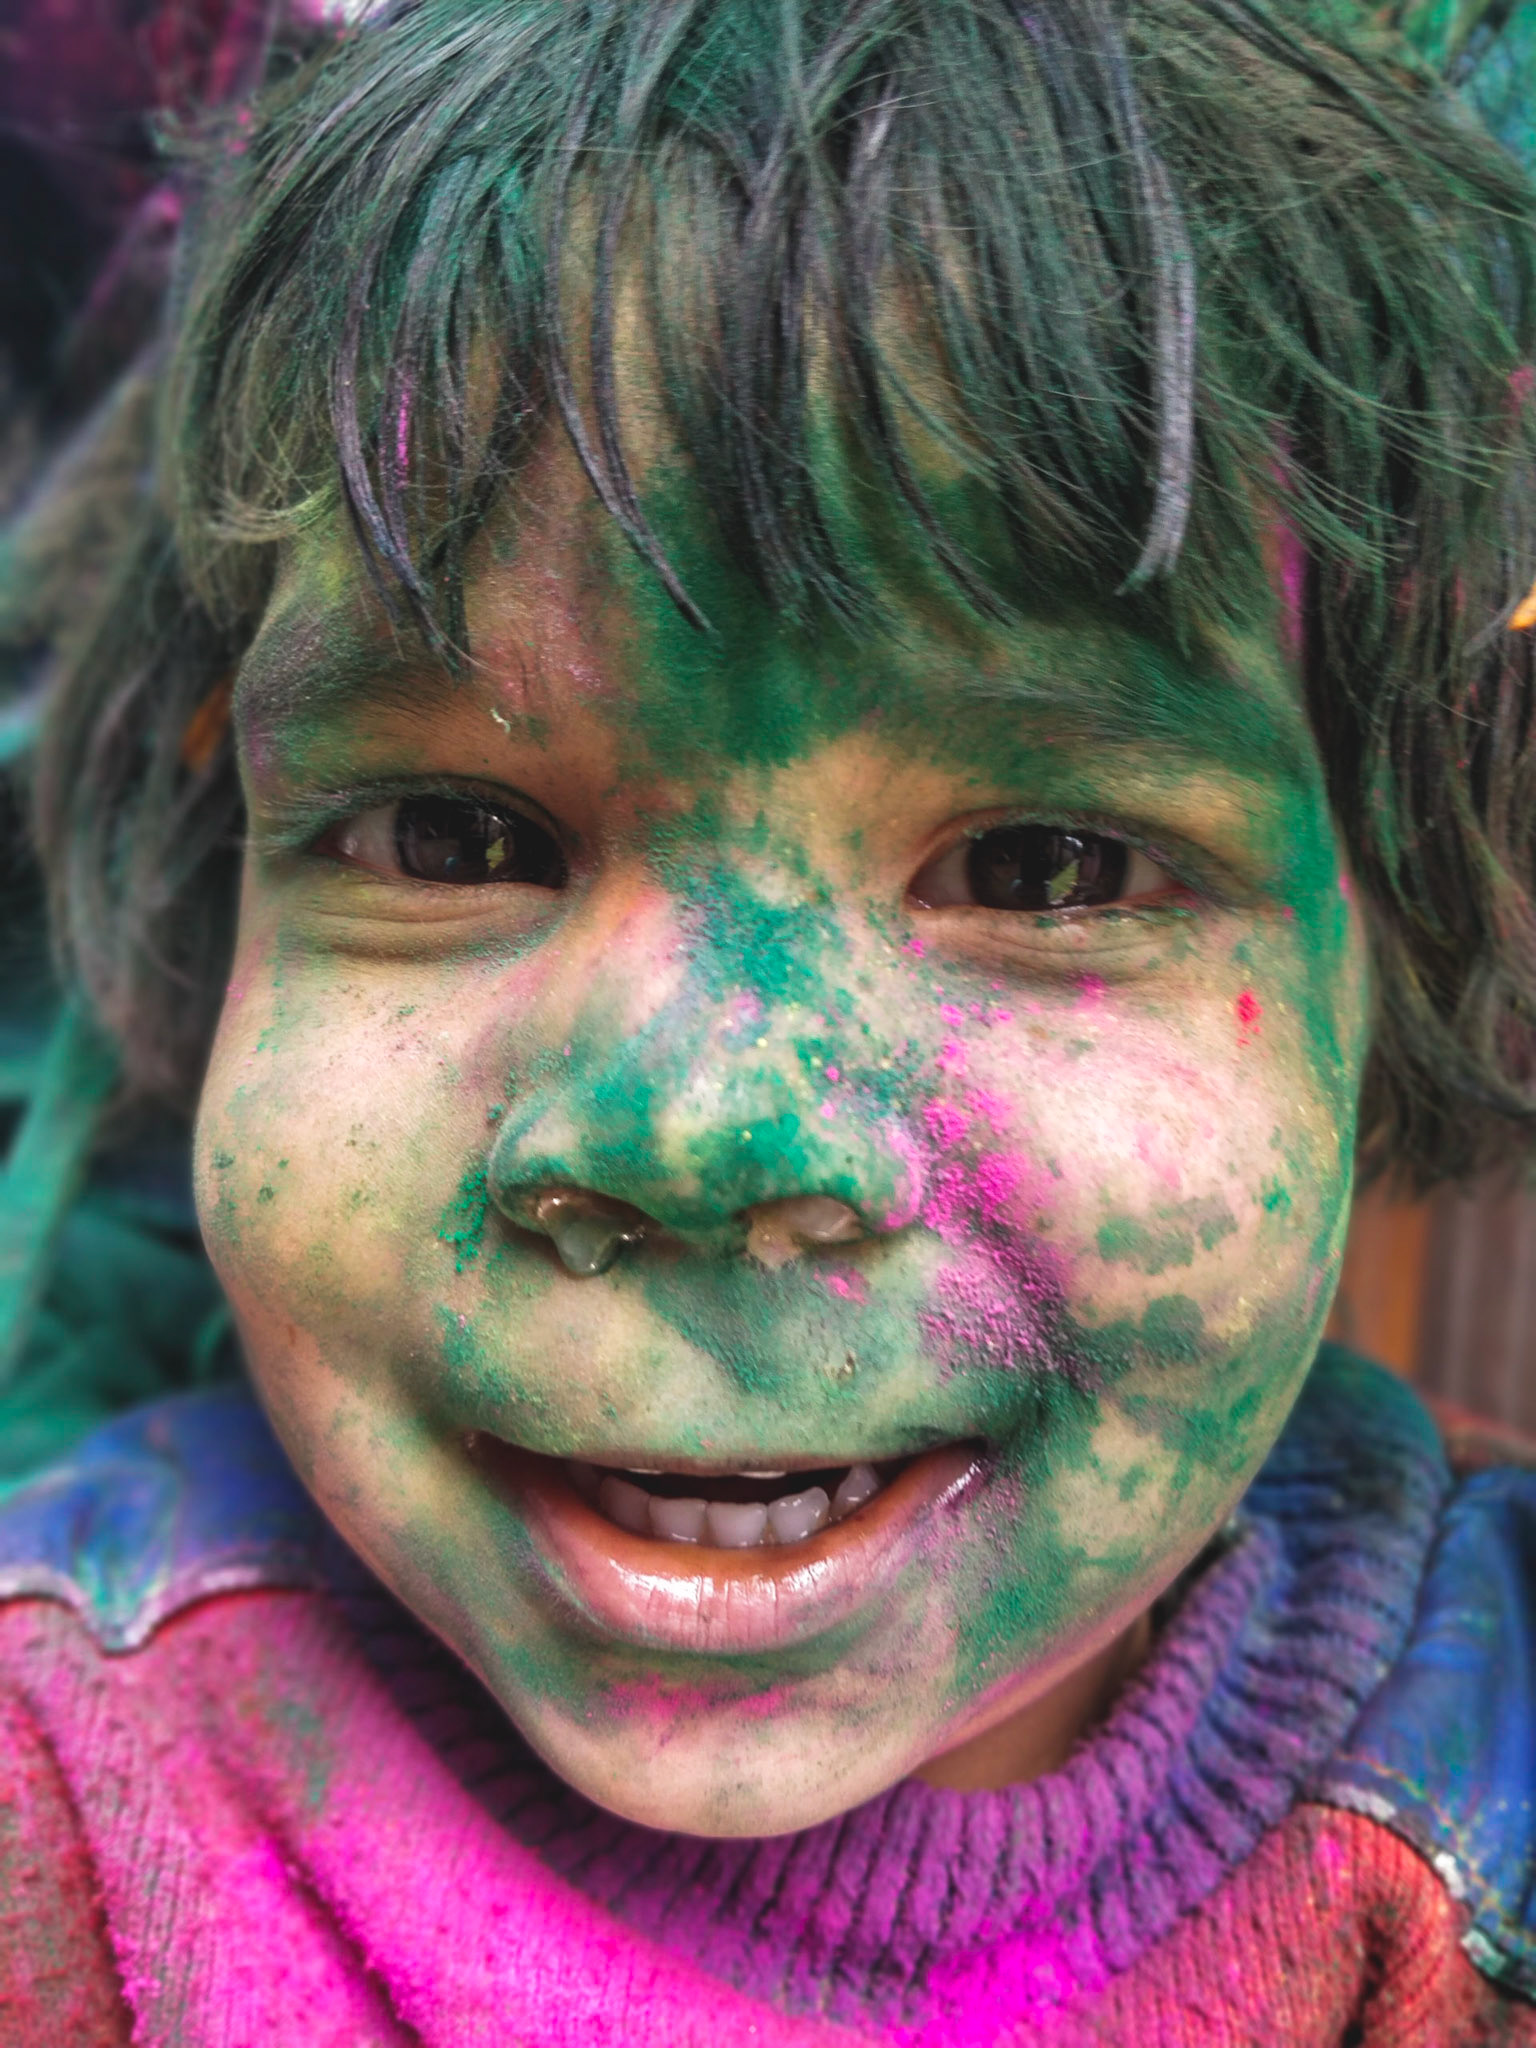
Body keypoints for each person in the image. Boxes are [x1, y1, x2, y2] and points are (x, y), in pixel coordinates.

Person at [4, 0, 1536, 2039]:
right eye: (455, 832)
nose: (704, 1129)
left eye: (1042, 868)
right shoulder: (68, 1785)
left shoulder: (1481, 1782)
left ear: (1400, 946)